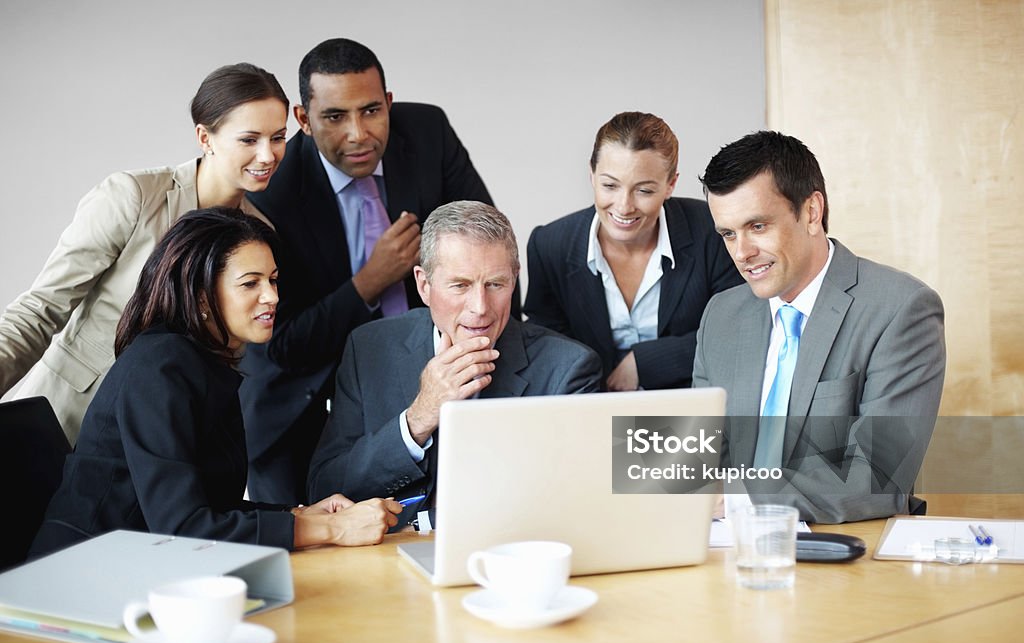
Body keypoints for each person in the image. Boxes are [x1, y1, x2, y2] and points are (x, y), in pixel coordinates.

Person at [30, 208, 401, 558]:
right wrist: (332, 529)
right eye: (250, 283)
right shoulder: (159, 367)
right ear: (202, 295)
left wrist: (304, 515)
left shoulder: (201, 363)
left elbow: (210, 509)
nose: (272, 296)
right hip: (84, 577)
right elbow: (183, 529)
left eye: (272, 280)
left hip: (141, 565)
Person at [240, 38, 505, 504]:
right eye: (335, 117)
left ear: (388, 102)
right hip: (304, 400)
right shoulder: (270, 193)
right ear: (303, 120)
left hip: (432, 364)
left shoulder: (427, 133)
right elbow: (282, 344)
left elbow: (490, 247)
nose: (358, 134)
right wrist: (369, 283)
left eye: (370, 111)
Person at [0, 63, 288, 444]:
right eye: (249, 139)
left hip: (161, 442)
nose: (268, 155)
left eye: (278, 137)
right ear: (205, 137)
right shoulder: (133, 196)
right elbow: (40, 310)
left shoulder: (260, 236)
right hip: (64, 419)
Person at [692, 131, 946, 523]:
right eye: (728, 234)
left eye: (757, 226)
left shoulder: (901, 309)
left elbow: (878, 474)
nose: (741, 253)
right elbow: (701, 457)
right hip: (727, 550)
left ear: (811, 212)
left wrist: (738, 500)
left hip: (845, 555)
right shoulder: (720, 316)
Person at [307, 201, 601, 507]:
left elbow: (579, 502)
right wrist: (418, 419)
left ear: (514, 279)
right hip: (384, 550)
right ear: (424, 285)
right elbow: (324, 489)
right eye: (460, 285)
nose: (480, 307)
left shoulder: (569, 368)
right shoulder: (369, 347)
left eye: (495, 284)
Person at [524, 112, 741, 391]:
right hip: (587, 404)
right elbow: (544, 342)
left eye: (644, 191)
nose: (624, 206)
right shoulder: (549, 245)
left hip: (689, 402)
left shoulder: (710, 231)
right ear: (591, 175)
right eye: (610, 185)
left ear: (670, 185)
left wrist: (645, 363)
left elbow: (737, 328)